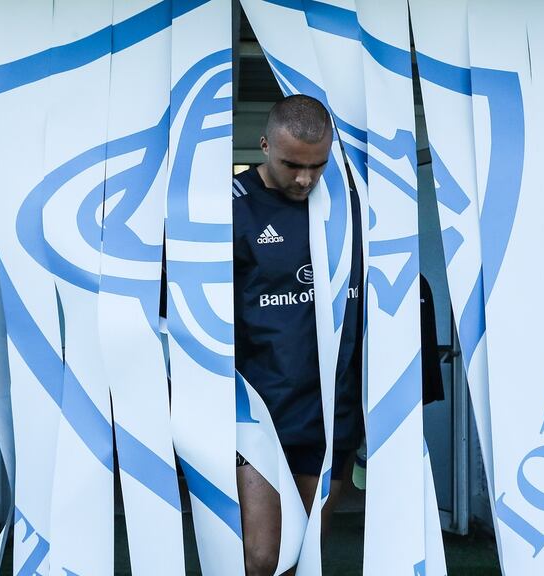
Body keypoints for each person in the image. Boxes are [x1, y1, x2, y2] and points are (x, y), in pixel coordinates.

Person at [232, 94, 363, 576]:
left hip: (329, 412)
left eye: (317, 166)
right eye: (292, 165)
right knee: (263, 558)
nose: (305, 179)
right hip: (256, 413)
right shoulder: (230, 208)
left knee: (301, 556)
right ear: (265, 145)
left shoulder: (348, 207)